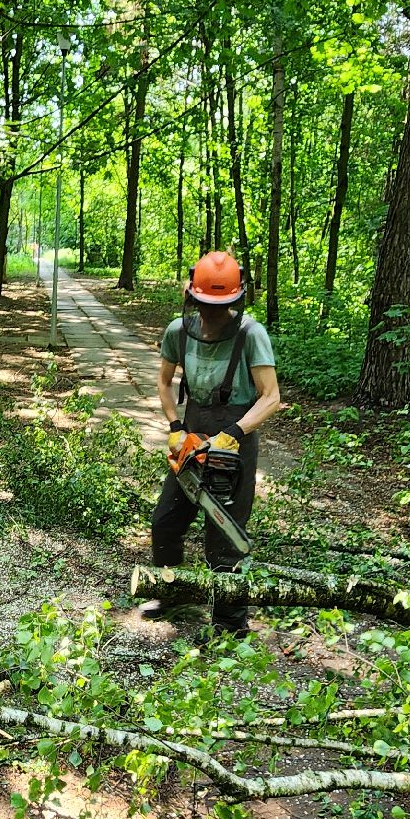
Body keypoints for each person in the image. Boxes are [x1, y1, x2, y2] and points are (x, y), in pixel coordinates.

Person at [142, 251, 284, 635]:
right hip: (193, 429)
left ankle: (229, 622)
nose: (212, 312)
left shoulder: (251, 335)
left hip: (235, 434)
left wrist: (233, 434)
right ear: (193, 297)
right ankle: (171, 591)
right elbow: (163, 380)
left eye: (220, 306)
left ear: (237, 300)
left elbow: (270, 396)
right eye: (205, 304)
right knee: (166, 522)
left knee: (225, 533)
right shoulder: (178, 331)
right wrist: (175, 425)